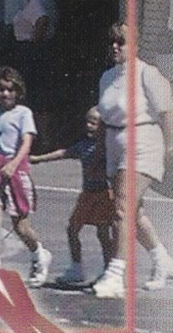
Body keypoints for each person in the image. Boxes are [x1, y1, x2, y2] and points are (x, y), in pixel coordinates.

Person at [90, 23, 173, 297]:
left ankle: (117, 273)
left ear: (136, 46)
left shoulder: (147, 74)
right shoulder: (107, 77)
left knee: (122, 209)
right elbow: (105, 120)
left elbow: (167, 112)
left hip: (143, 143)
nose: (116, 47)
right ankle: (161, 259)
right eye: (113, 42)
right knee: (133, 212)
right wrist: (98, 152)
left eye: (123, 42)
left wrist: (169, 148)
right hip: (115, 146)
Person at [0, 67, 52, 286]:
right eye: (1, 90)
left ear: (17, 92)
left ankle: (39, 253)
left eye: (10, 90)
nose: (5, 94)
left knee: (20, 225)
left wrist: (13, 163)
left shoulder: (23, 113)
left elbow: (27, 142)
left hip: (16, 170)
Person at [32, 106, 114, 286]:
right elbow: (64, 153)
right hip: (87, 194)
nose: (89, 126)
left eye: (94, 123)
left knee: (102, 233)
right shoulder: (84, 146)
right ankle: (77, 268)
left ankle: (109, 269)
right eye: (88, 122)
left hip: (103, 194)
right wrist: (39, 159)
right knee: (72, 229)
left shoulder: (108, 147)